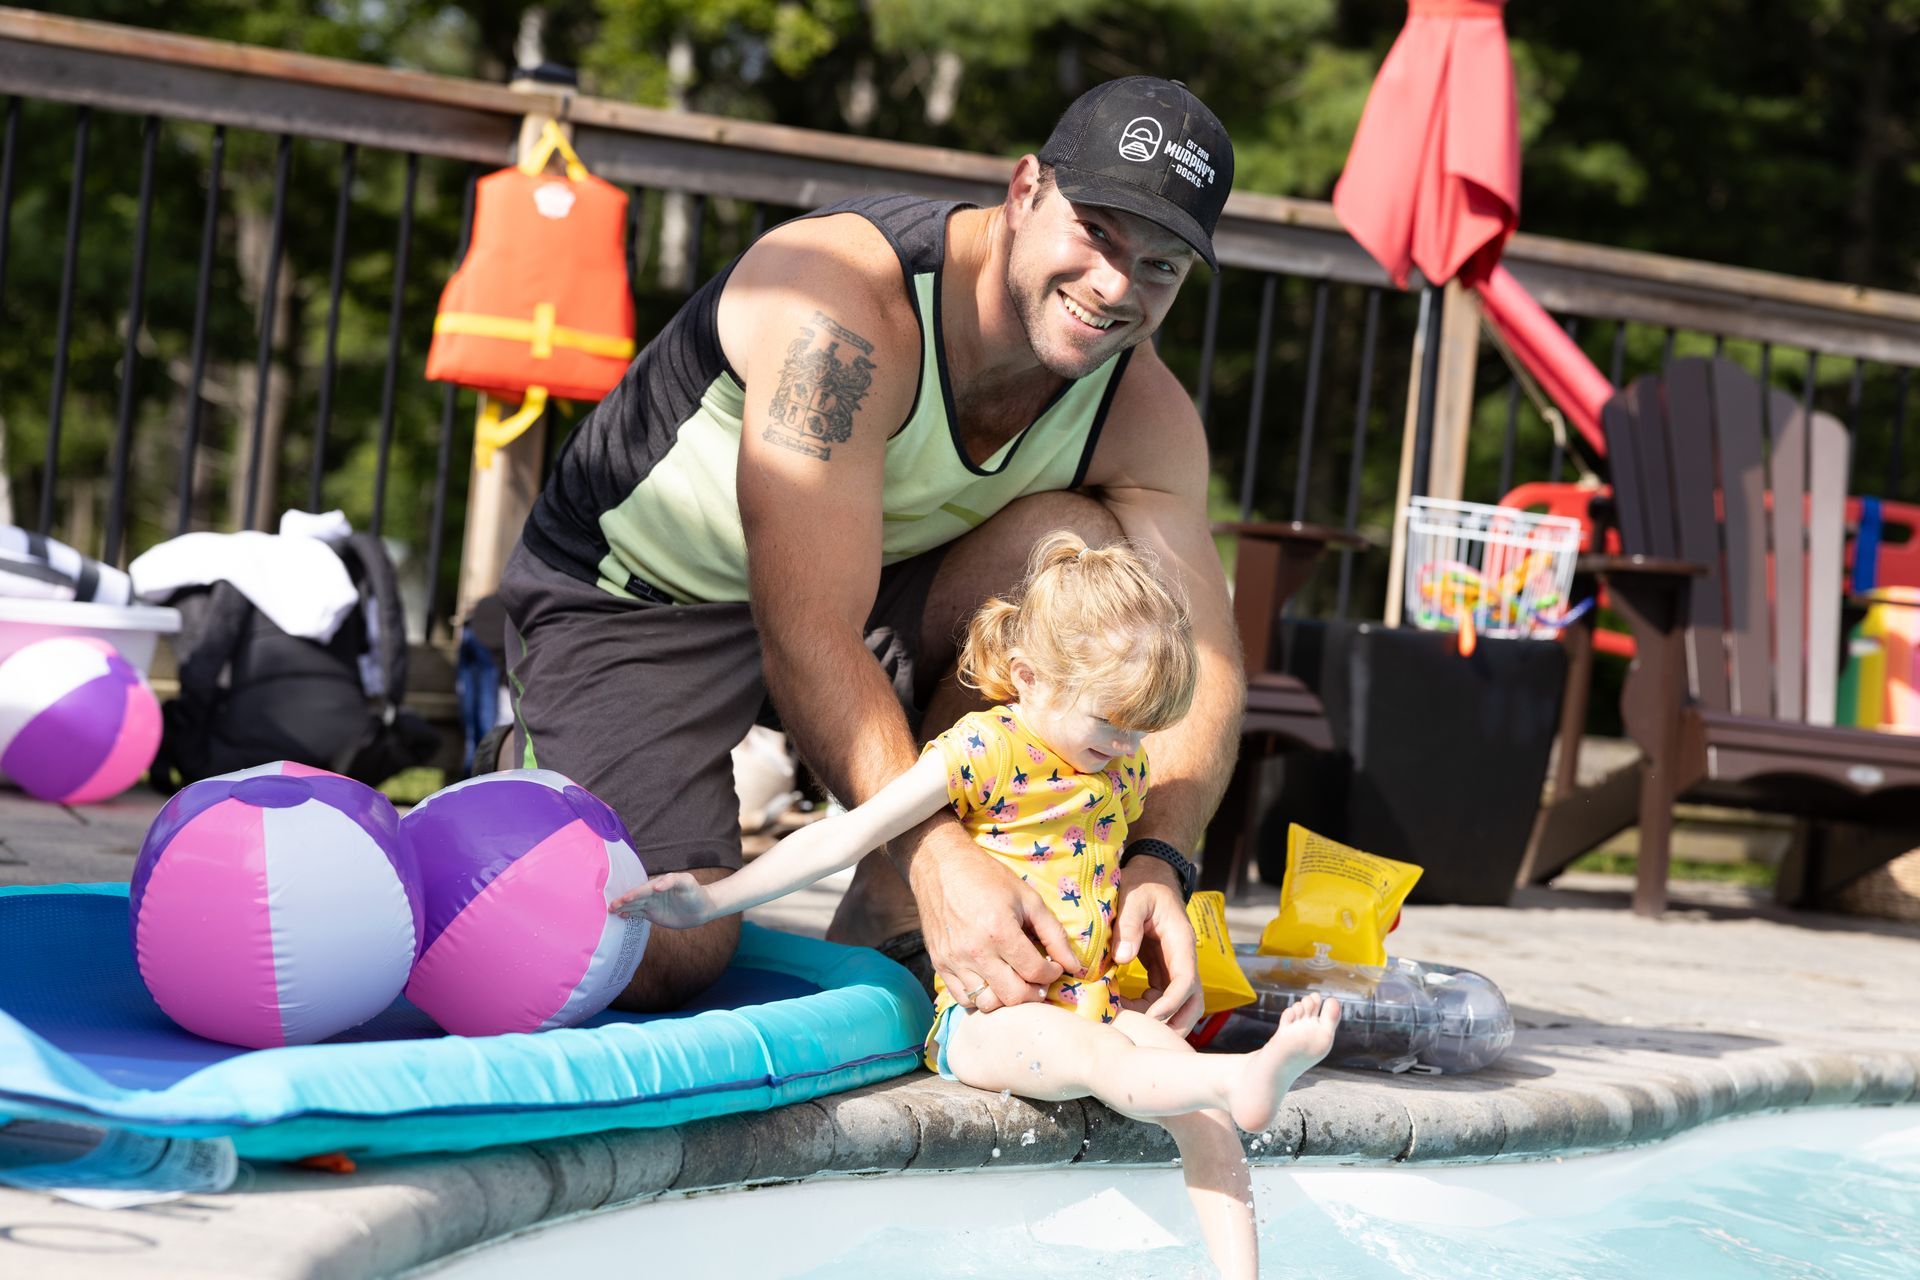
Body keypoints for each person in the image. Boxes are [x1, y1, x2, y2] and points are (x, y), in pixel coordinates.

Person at [498, 75, 1244, 1019]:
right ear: (1024, 192)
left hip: (872, 597)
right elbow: (808, 630)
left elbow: (1202, 657)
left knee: (1088, 557)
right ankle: (530, 771)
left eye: (1161, 267)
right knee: (656, 953)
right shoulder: (841, 306)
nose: (1114, 286)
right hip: (641, 602)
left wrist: (1158, 861)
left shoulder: (1145, 411)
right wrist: (940, 855)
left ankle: (888, 916)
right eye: (1098, 232)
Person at [611, 535, 1337, 1280]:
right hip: (989, 1019)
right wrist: (710, 900)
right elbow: (845, 837)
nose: (1126, 748)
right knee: (1106, 1060)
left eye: (1140, 730)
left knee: (1203, 1121)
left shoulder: (1116, 767)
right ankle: (1241, 1077)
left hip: (1089, 999)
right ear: (1028, 677)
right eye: (1111, 722)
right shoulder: (983, 751)